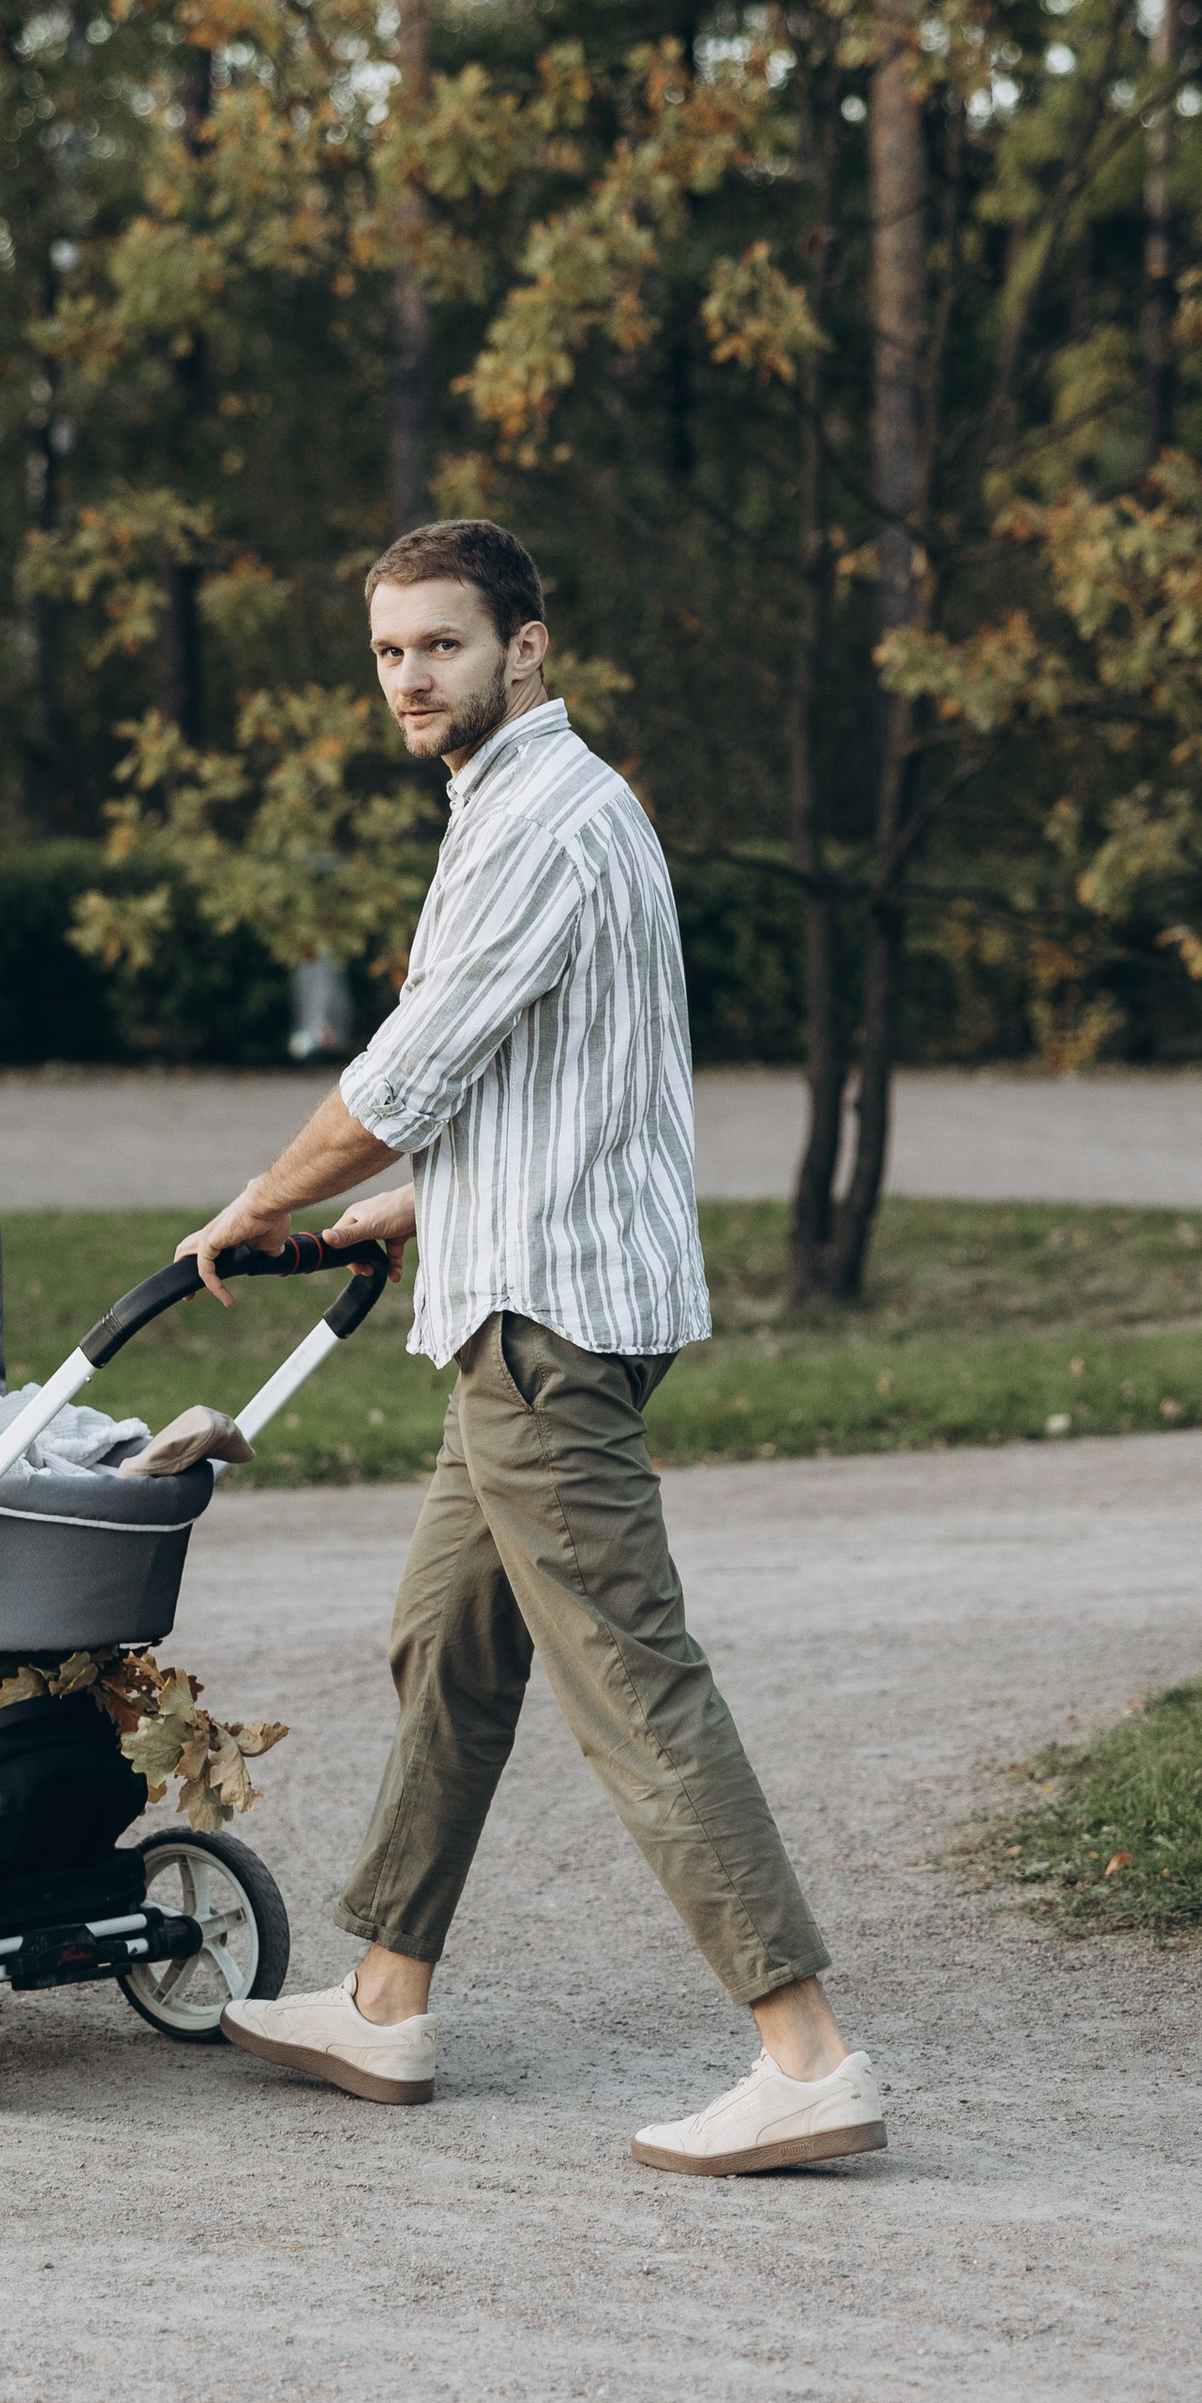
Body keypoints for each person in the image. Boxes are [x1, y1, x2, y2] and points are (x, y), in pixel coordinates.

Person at [178, 519, 884, 2178]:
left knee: (631, 1674)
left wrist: (254, 1202)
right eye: (389, 652)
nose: (411, 678)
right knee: (447, 1639)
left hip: (545, 1332)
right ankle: (386, 1995)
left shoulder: (540, 826)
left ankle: (806, 2052)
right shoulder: (554, 808)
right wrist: (403, 1215)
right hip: (526, 1287)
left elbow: (408, 1067)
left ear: (527, 647)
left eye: (442, 645)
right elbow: (566, 1081)